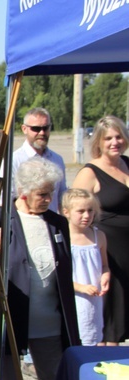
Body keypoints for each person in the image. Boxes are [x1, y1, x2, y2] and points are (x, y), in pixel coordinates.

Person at [0, 158, 80, 380]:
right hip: (10, 322)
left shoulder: (58, 223)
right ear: (23, 192)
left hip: (49, 323)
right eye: (42, 194)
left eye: (51, 193)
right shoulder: (0, 218)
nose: (49, 199)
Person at [71, 115, 129, 346]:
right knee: (110, 318)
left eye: (119, 136)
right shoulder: (90, 172)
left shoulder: (127, 163)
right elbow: (72, 211)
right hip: (108, 253)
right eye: (108, 138)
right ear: (99, 142)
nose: (115, 142)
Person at [61, 188, 110, 346]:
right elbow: (57, 274)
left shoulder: (98, 236)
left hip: (93, 299)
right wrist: (80, 287)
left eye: (90, 210)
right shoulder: (62, 237)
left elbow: (104, 265)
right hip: (73, 298)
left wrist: (105, 276)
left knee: (91, 338)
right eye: (80, 211)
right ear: (66, 212)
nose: (87, 216)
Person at [11, 108, 67, 212]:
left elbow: (61, 197)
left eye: (46, 128)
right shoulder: (13, 161)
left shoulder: (57, 159)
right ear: (24, 129)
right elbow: (7, 200)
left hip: (52, 225)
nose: (42, 132)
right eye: (36, 129)